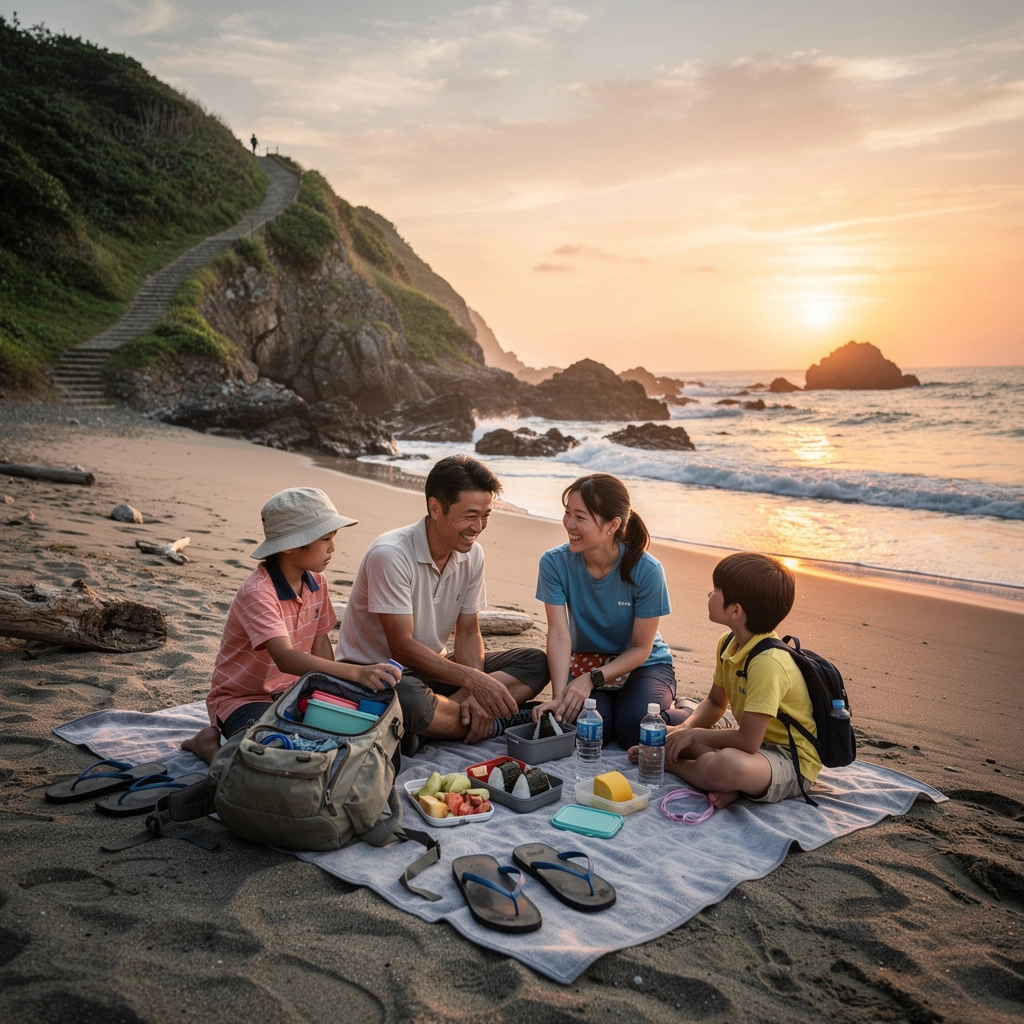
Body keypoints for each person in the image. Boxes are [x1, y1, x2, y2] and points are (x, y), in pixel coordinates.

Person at [336, 455, 548, 753]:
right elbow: (401, 646)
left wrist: (475, 693)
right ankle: (491, 722)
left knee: (535, 662)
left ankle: (438, 725)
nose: (478, 526)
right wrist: (476, 681)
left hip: (438, 671)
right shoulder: (391, 554)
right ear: (435, 508)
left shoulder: (473, 554)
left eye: (486, 515)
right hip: (377, 675)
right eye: (470, 515)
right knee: (407, 697)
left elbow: (468, 633)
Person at [182, 487, 400, 764]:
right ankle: (206, 745)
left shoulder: (317, 582)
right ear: (290, 545)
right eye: (326, 538)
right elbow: (285, 658)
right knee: (265, 758)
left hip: (294, 692)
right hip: (244, 699)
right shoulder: (258, 591)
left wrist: (333, 691)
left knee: (337, 744)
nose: (333, 547)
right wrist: (356, 673)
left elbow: (321, 644)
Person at [628, 551, 821, 808]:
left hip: (788, 758)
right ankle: (730, 785)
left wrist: (693, 736)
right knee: (676, 737)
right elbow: (716, 703)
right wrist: (682, 731)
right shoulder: (729, 642)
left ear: (735, 610)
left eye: (716, 590)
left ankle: (675, 766)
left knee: (727, 764)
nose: (709, 595)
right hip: (754, 747)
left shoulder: (768, 662)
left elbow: (747, 741)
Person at [534, 473, 686, 749]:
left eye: (580, 517)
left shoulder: (647, 570)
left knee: (635, 730)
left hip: (642, 663)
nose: (569, 524)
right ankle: (617, 705)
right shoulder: (554, 563)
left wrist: (591, 680)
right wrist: (558, 698)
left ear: (612, 525)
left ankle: (689, 712)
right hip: (585, 661)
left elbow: (641, 648)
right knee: (589, 729)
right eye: (567, 513)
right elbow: (558, 634)